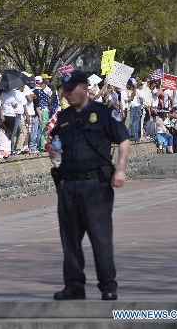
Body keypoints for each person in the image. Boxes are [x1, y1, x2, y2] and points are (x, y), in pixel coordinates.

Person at [48, 70, 130, 301]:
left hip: (95, 185)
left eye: (71, 89)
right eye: (64, 90)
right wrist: (53, 150)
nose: (67, 94)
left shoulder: (103, 113)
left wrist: (121, 169)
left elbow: (123, 140)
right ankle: (74, 286)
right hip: (68, 185)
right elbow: (55, 144)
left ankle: (108, 285)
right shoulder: (64, 118)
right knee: (70, 239)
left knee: (100, 237)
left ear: (84, 88)